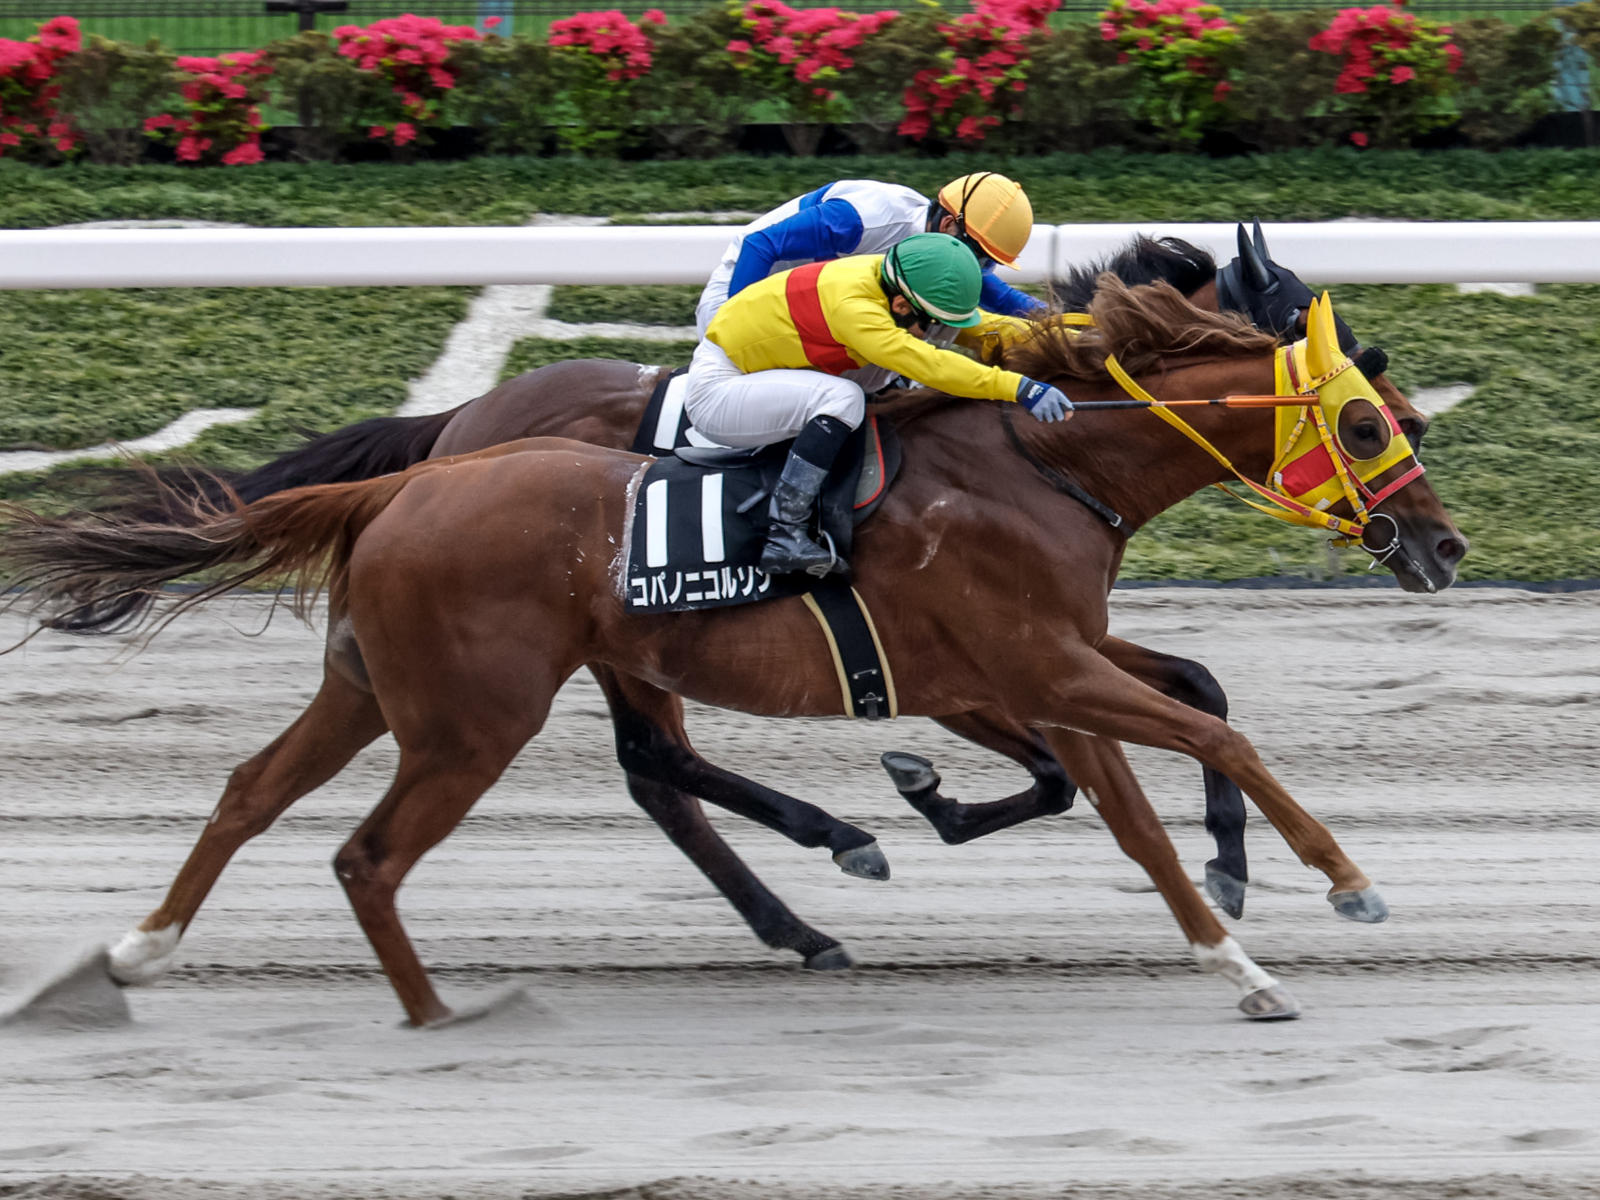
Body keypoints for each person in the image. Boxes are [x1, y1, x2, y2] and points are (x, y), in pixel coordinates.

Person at [686, 232, 1072, 578]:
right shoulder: (857, 311)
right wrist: (1019, 388)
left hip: (759, 369)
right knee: (843, 398)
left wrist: (1072, 336)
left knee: (872, 381)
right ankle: (784, 534)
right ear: (902, 305)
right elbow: (931, 364)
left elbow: (979, 326)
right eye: (929, 322)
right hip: (720, 389)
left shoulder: (895, 277)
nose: (935, 332)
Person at [695, 173, 1045, 338]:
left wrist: (1059, 320)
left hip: (806, 308)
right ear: (949, 224)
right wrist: (736, 327)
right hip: (738, 296)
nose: (979, 269)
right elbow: (759, 245)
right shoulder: (865, 219)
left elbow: (1001, 298)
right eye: (981, 258)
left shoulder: (941, 247)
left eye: (989, 263)